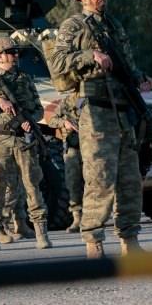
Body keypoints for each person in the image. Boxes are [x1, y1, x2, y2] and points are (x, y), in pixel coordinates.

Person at [48, 0, 151, 258]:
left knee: (130, 180)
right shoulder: (73, 26)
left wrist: (140, 77)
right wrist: (89, 56)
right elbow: (56, 62)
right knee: (100, 178)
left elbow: (127, 64)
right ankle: (94, 243)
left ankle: (130, 240)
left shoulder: (114, 26)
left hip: (123, 111)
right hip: (95, 110)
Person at [0, 36, 52, 251]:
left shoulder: (25, 78)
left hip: (23, 139)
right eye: (11, 52)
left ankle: (41, 233)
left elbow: (38, 109)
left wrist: (30, 121)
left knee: (32, 185)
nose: (15, 56)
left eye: (16, 52)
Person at [48, 93, 84, 233]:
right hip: (73, 148)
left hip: (93, 148)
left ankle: (93, 217)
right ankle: (77, 218)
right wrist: (64, 123)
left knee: (94, 183)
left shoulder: (93, 98)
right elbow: (52, 120)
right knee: (72, 183)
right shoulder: (68, 101)